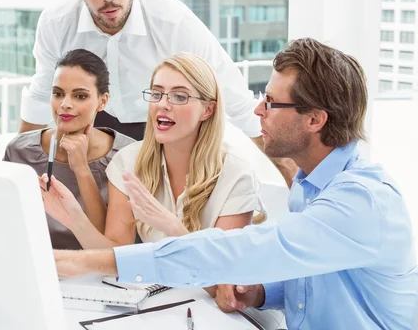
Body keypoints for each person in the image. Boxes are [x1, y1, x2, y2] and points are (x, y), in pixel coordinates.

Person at [53, 38, 418, 330]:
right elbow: (308, 280)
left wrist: (77, 263)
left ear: (315, 120)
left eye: (272, 102)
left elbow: (234, 250)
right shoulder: (309, 187)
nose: (258, 111)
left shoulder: (359, 201)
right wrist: (260, 293)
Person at [19, 0, 296, 186]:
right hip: (93, 131)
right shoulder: (56, 22)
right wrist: (14, 167)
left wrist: (291, 175)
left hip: (160, 129)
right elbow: (42, 94)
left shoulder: (173, 21)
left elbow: (235, 98)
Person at [43, 53, 263, 260]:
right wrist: (72, 217)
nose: (162, 104)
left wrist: (172, 227)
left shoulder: (236, 174)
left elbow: (225, 281)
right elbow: (117, 254)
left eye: (179, 96)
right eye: (156, 94)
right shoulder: (128, 161)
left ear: (208, 110)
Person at [4, 49, 134, 249]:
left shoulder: (127, 155)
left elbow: (108, 245)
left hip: (96, 273)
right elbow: (5, 224)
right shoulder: (19, 150)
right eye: (58, 94)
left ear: (103, 101)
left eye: (80, 96)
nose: (65, 104)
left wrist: (82, 168)